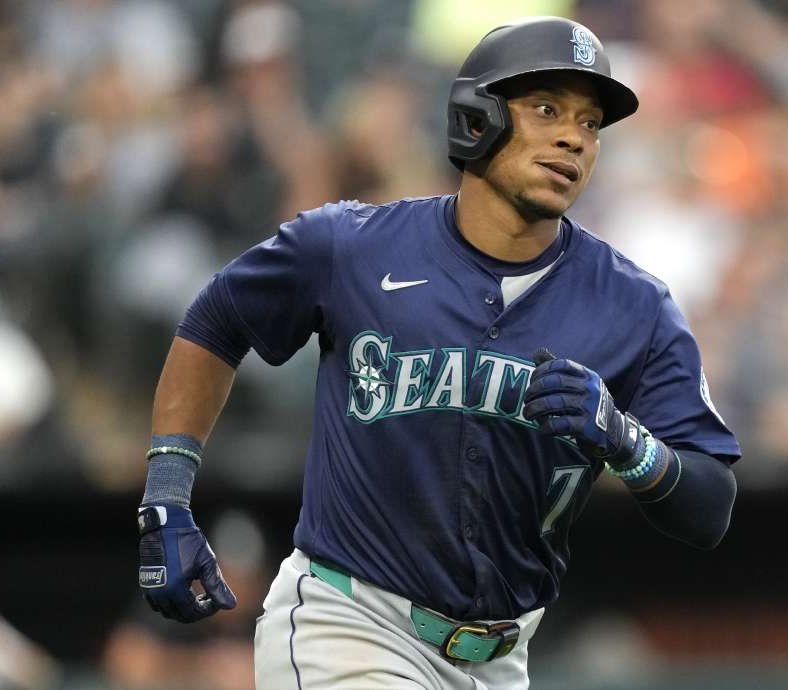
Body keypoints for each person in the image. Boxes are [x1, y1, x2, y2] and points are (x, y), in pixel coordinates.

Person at [134, 17, 741, 690]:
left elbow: (711, 504)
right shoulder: (351, 247)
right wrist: (167, 492)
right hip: (351, 625)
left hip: (500, 660)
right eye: (546, 109)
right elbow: (217, 320)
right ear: (477, 118)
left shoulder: (635, 307)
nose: (573, 136)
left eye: (591, 123)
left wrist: (631, 444)